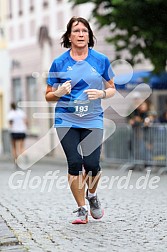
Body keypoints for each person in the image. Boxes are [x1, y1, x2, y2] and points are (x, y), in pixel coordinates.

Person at [45, 16, 115, 224]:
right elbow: (48, 96)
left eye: (84, 31)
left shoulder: (100, 60)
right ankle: (81, 208)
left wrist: (102, 94)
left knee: (92, 164)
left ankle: (92, 196)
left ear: (89, 35)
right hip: (66, 119)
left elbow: (112, 88)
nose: (81, 34)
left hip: (92, 119)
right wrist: (58, 91)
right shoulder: (59, 62)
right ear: (69, 36)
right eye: (76, 31)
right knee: (74, 162)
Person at [7, 102, 28, 167]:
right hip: (22, 131)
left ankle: (16, 161)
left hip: (14, 131)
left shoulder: (11, 113)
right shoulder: (21, 112)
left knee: (14, 147)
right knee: (21, 147)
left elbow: (10, 123)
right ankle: (24, 155)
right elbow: (26, 121)